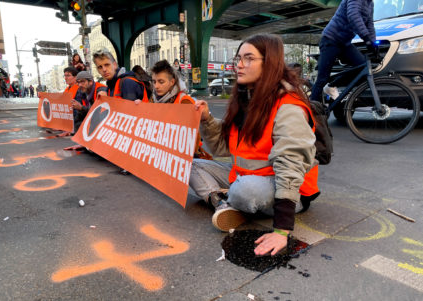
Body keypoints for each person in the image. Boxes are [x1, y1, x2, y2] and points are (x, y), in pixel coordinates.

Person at [192, 34, 320, 256]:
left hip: (287, 190)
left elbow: (290, 164)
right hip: (244, 176)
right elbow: (222, 148)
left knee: (246, 191)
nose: (239, 65)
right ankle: (222, 202)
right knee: (189, 165)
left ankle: (232, 200)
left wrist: (281, 230)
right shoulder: (246, 100)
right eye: (238, 58)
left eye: (249, 58)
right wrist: (207, 119)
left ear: (269, 63)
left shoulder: (288, 104)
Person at [143, 59, 212, 159]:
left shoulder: (185, 102)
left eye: (161, 82)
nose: (156, 86)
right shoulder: (152, 100)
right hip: (159, 157)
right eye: (154, 82)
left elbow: (194, 139)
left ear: (172, 82)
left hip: (181, 160)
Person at [310, 0, 377, 102]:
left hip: (344, 43)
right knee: (322, 78)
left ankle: (332, 86)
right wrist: (366, 38)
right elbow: (353, 16)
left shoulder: (370, 3)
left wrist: (373, 43)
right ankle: (311, 111)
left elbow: (369, 24)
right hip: (330, 40)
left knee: (363, 67)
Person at [62, 66, 84, 136]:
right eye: (65, 76)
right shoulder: (67, 89)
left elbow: (78, 112)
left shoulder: (80, 89)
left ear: (75, 77)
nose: (65, 78)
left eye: (68, 76)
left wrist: (72, 127)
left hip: (75, 123)